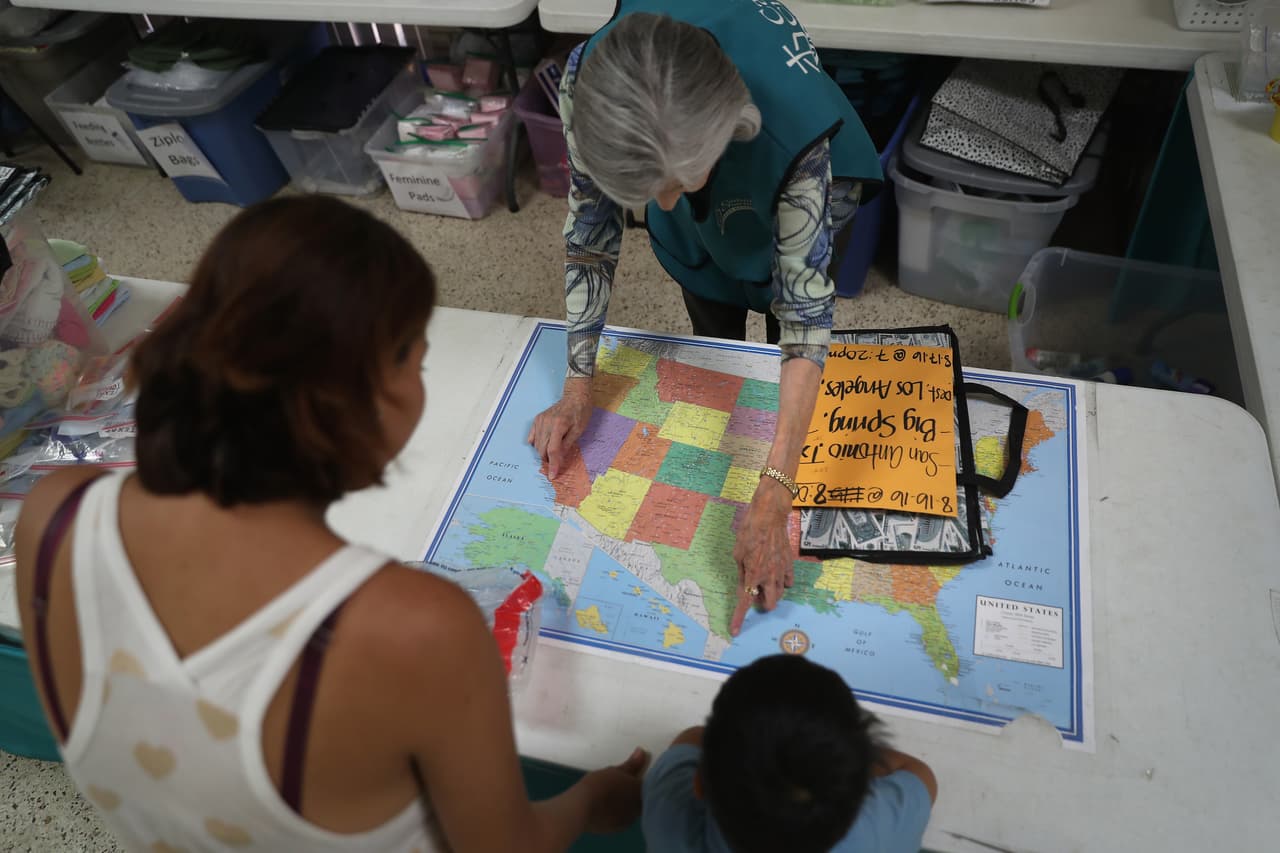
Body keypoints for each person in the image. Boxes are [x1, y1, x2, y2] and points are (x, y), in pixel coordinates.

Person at [15, 197, 647, 853]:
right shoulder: (417, 626)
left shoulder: (54, 515)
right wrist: (591, 799)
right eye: (417, 361)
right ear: (376, 391)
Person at [528, 1, 883, 636]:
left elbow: (805, 316)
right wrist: (578, 385)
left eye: (680, 180)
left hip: (783, 169)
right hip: (691, 160)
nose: (665, 203)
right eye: (649, 192)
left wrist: (776, 485)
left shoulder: (791, 139)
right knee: (711, 315)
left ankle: (784, 441)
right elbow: (590, 232)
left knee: (786, 328)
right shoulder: (591, 86)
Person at [642, 655, 937, 853]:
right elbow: (921, 775)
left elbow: (692, 737)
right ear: (863, 794)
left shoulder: (667, 813)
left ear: (698, 784)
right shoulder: (879, 831)